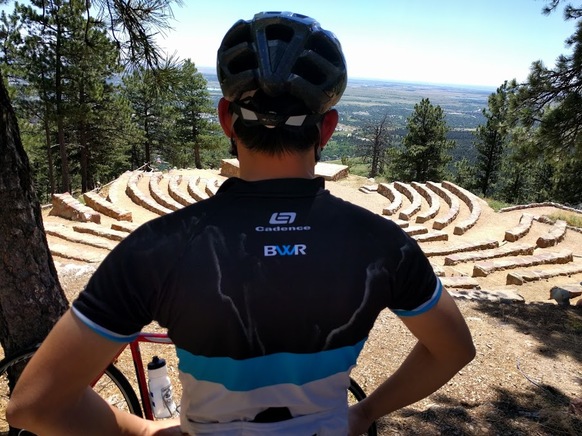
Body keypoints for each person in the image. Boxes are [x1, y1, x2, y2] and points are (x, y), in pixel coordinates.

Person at [7, 11, 475, 436]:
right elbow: (453, 350)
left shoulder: (157, 248)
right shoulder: (383, 246)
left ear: (227, 119)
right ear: (326, 128)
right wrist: (365, 412)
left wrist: (145, 432)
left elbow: (34, 406)